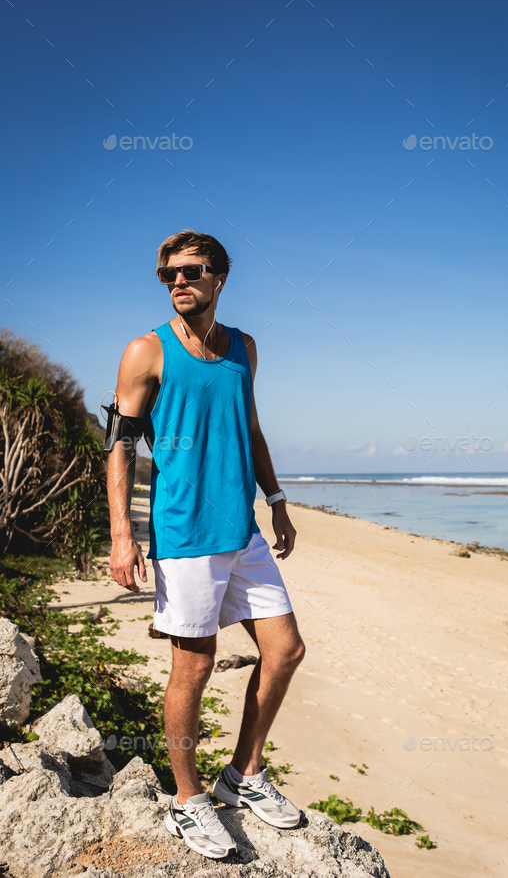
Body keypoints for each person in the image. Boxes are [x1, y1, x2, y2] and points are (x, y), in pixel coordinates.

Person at [107, 230, 305, 859]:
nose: (178, 282)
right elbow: (120, 443)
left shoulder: (244, 347)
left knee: (286, 651)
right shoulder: (146, 351)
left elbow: (250, 426)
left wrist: (275, 500)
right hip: (186, 535)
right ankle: (188, 802)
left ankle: (243, 775)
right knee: (192, 666)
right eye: (167, 274)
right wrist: (122, 534)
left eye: (191, 271)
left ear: (220, 277)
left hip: (241, 530)